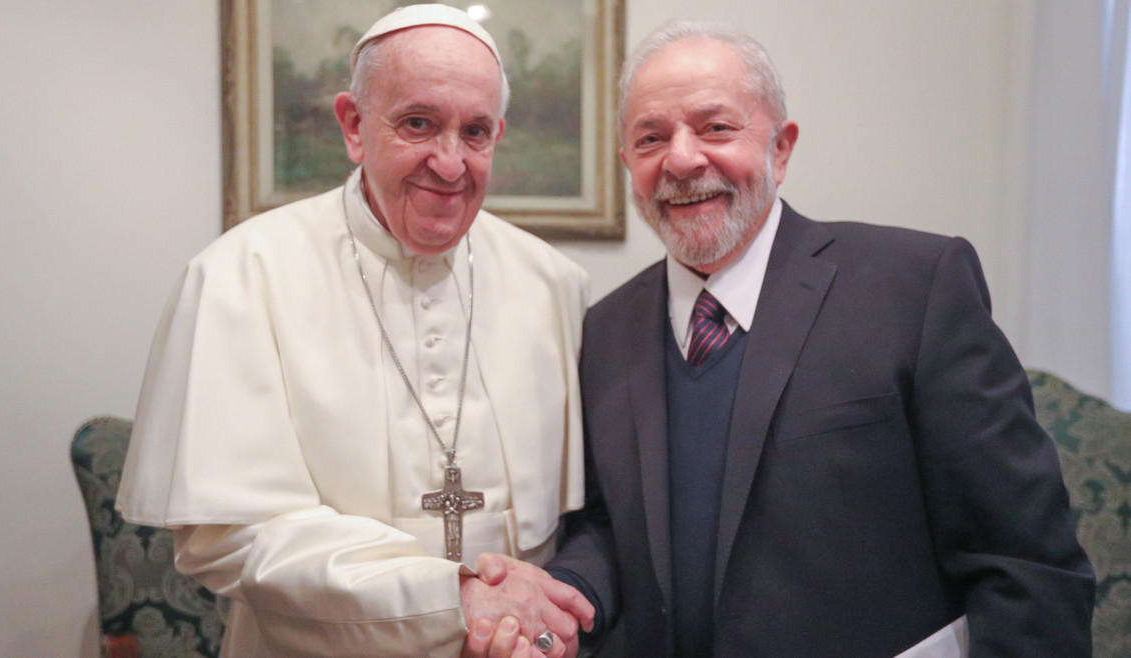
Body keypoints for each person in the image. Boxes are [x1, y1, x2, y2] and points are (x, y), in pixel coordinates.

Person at [477, 18, 1096, 658]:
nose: (683, 159)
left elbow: (1027, 566)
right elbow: (608, 526)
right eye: (651, 137)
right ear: (629, 163)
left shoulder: (914, 289)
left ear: (781, 148)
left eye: (716, 128)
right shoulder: (604, 329)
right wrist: (560, 598)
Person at [116, 5, 594, 657]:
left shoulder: (553, 284)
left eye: (475, 132)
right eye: (418, 124)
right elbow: (228, 535)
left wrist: (529, 615)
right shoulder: (240, 276)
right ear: (353, 126)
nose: (450, 164)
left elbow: (578, 526)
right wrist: (450, 594)